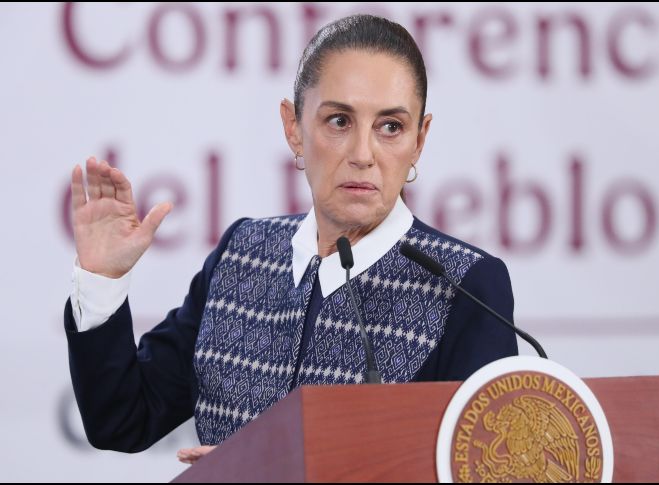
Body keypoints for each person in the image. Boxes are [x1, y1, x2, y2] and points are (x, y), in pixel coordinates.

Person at [64, 14, 518, 464]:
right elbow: (122, 419)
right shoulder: (242, 255)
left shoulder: (464, 285)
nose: (363, 154)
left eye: (391, 127)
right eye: (339, 121)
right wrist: (102, 281)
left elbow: (481, 468)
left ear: (419, 140)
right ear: (293, 127)